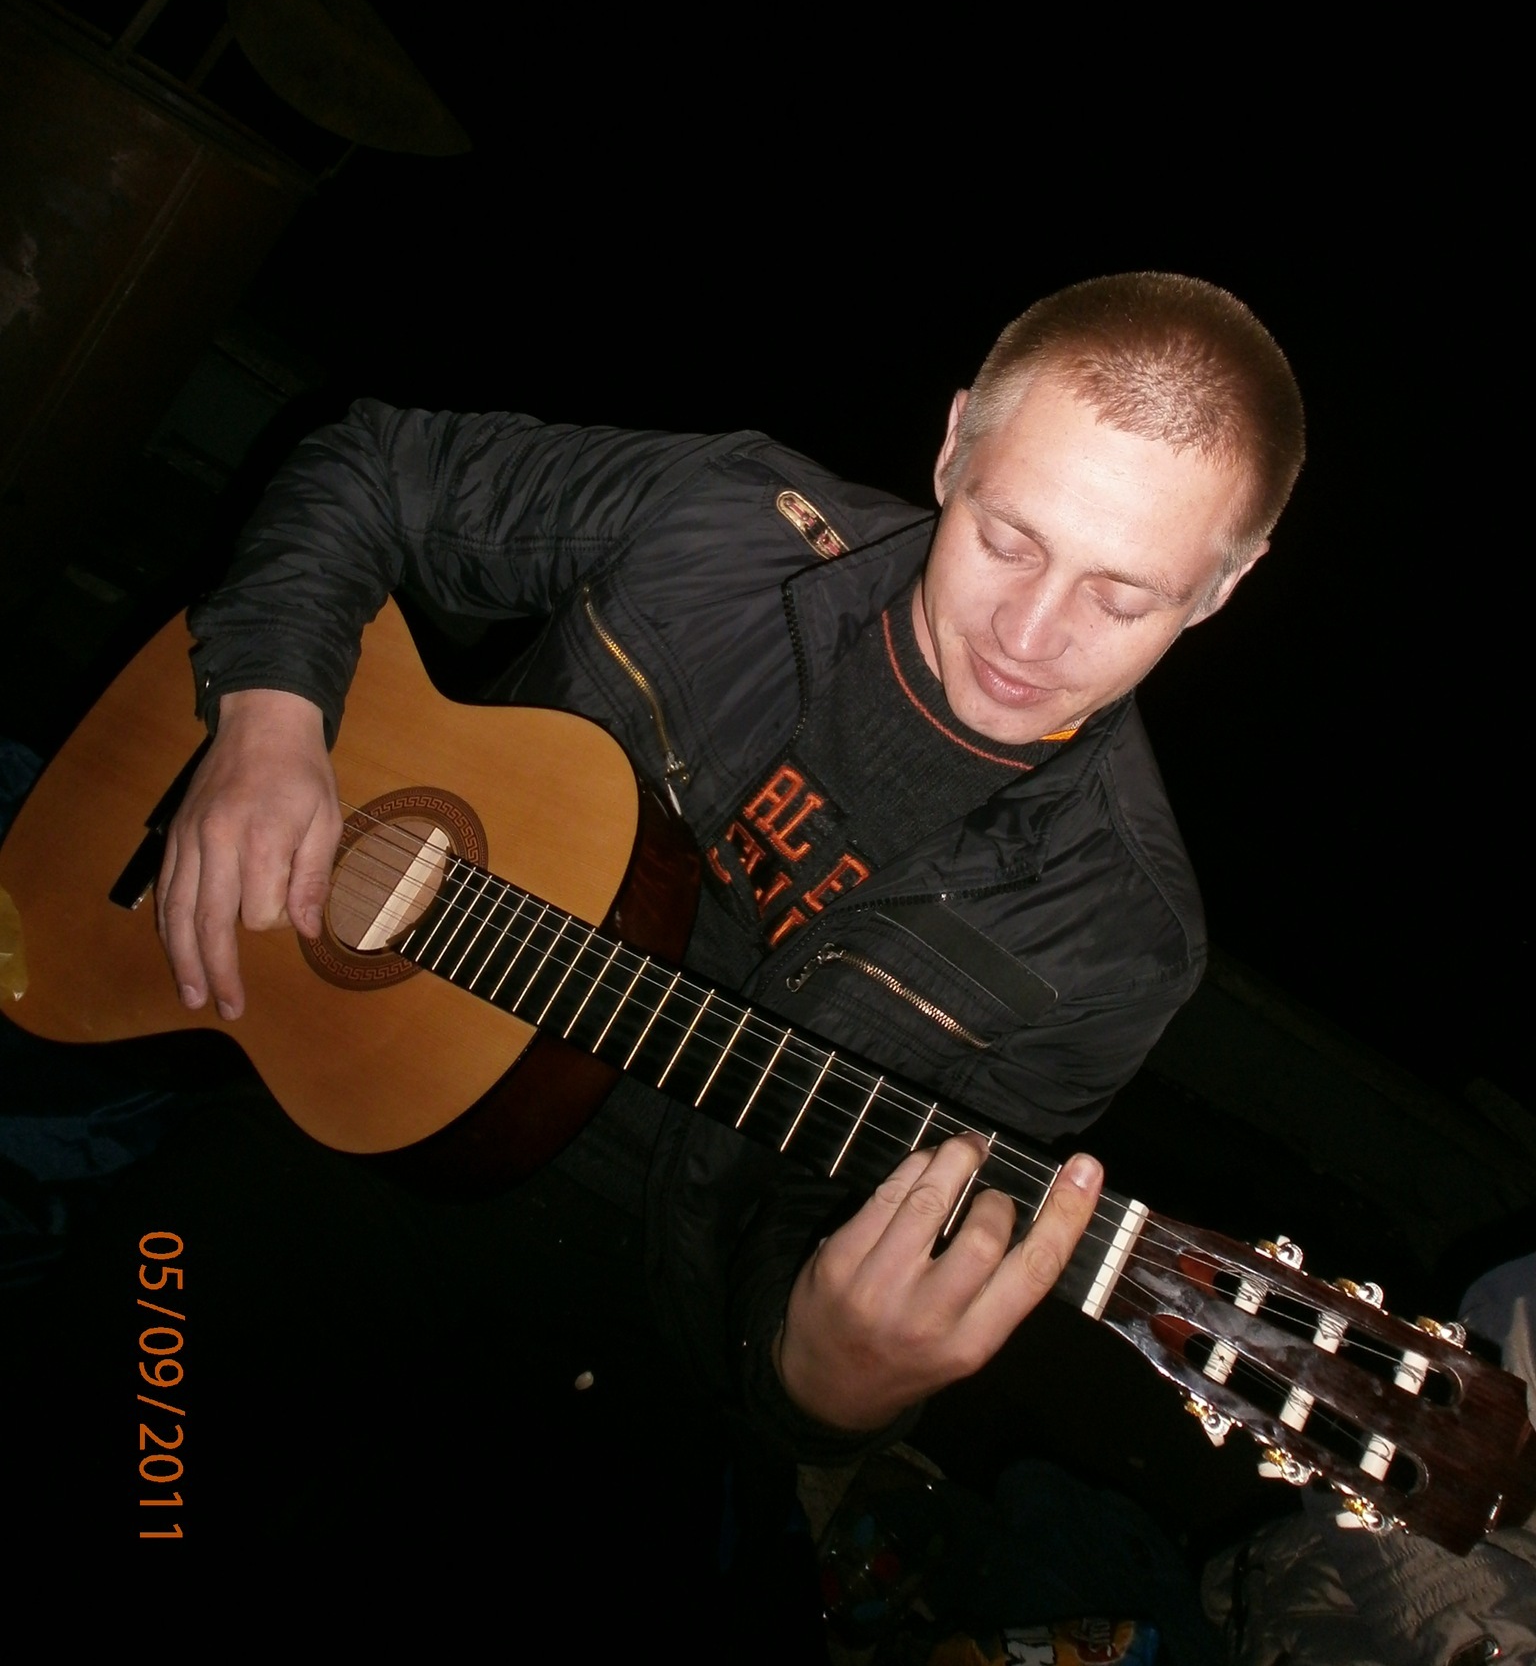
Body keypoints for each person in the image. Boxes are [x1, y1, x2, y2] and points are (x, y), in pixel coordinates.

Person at [155, 270, 1304, 1452]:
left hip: (620, 1326)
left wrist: (828, 1381)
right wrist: (268, 717)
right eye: (1006, 539)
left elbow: (817, 1241)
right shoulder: (721, 521)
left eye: (1121, 598)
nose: (1029, 632)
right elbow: (375, 469)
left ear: (1223, 584)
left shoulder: (1122, 939)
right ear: (955, 445)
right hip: (319, 1092)